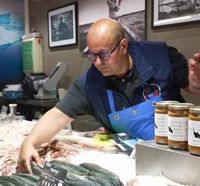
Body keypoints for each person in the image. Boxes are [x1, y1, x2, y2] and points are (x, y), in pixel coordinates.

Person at [18, 18, 197, 174]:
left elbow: (193, 86)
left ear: (123, 46)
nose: (97, 62)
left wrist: (196, 80)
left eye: (104, 54)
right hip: (131, 163)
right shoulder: (89, 83)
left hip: (179, 158)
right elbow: (57, 116)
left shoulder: (162, 57)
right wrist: (29, 142)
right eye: (91, 55)